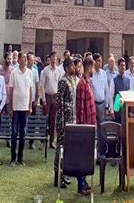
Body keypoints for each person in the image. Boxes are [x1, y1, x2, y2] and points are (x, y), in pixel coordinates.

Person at [54, 59, 83, 192]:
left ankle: (64, 173)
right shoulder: (63, 82)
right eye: (71, 65)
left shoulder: (72, 81)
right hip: (63, 121)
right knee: (60, 148)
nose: (73, 67)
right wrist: (61, 123)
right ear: (66, 68)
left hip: (72, 120)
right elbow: (59, 104)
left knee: (67, 149)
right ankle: (57, 176)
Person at [76, 57, 96, 194]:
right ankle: (81, 185)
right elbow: (80, 108)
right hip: (84, 127)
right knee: (82, 156)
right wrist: (83, 128)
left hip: (90, 125)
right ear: (89, 67)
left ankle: (84, 182)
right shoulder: (82, 84)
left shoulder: (88, 83)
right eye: (93, 67)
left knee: (86, 156)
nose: (94, 70)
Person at [9, 52, 33, 167]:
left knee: (23, 133)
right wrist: (10, 107)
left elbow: (30, 90)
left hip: (25, 107)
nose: (26, 59)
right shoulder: (14, 73)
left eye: (26, 58)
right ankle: (13, 158)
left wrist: (30, 106)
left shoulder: (29, 73)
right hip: (16, 107)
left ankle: (20, 158)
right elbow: (11, 90)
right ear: (19, 60)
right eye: (23, 57)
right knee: (14, 133)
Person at [40, 51, 62, 149]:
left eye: (55, 57)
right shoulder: (45, 70)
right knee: (45, 119)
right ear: (50, 59)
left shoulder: (58, 71)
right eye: (52, 57)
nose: (54, 59)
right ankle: (42, 139)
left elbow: (60, 84)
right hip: (47, 96)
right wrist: (43, 99)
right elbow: (42, 85)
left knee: (53, 120)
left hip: (55, 96)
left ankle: (52, 141)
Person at [90, 53, 111, 154]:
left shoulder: (104, 73)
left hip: (102, 104)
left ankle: (100, 152)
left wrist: (107, 106)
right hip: (93, 104)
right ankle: (92, 151)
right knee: (93, 128)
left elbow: (106, 90)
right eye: (98, 60)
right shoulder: (91, 74)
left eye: (101, 60)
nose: (100, 62)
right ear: (94, 62)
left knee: (101, 129)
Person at [26, 52, 40, 150]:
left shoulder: (35, 71)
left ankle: (31, 141)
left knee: (32, 120)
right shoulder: (24, 71)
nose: (32, 62)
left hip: (33, 98)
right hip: (24, 99)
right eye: (31, 60)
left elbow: (37, 85)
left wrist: (36, 99)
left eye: (33, 60)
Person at [111, 58, 130, 124]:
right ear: (118, 66)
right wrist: (112, 110)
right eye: (121, 65)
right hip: (117, 108)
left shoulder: (128, 80)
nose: (123, 67)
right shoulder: (114, 80)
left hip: (125, 109)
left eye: (124, 65)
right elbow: (111, 96)